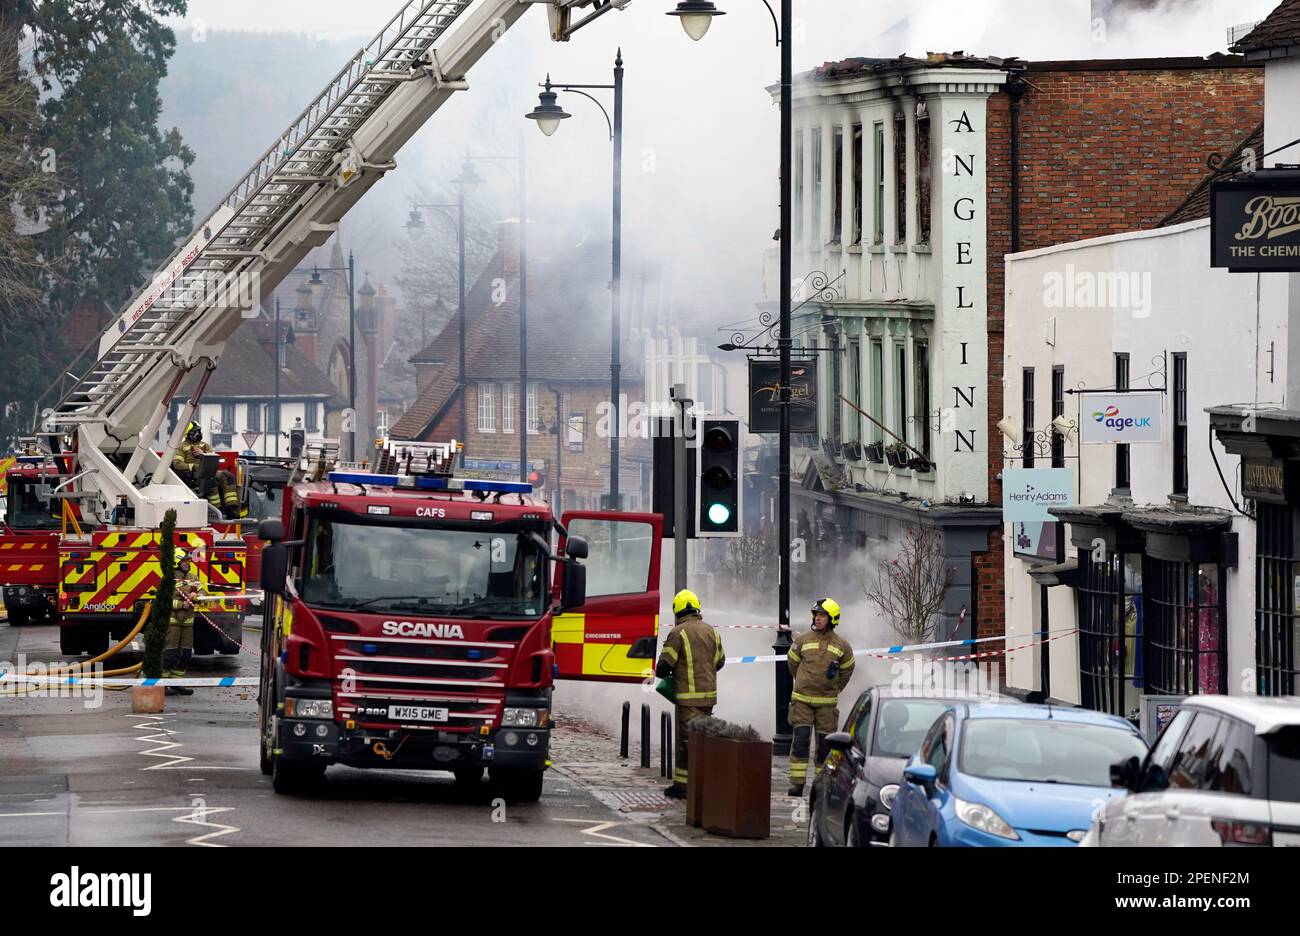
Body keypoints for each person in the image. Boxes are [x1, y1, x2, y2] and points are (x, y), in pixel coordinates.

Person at [655, 588, 725, 800]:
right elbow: (720, 661)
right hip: (709, 697)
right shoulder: (711, 631)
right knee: (702, 737)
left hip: (687, 698)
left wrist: (668, 671)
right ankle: (696, 782)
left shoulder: (678, 633)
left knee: (688, 742)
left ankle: (684, 787)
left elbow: (664, 665)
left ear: (677, 611)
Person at [787, 597, 854, 797]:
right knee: (800, 741)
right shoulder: (802, 640)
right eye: (816, 614)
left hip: (826, 705)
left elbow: (848, 669)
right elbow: (792, 663)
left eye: (822, 615)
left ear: (832, 619)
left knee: (825, 747)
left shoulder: (842, 645)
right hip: (802, 702)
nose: (817, 618)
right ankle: (797, 784)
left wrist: (835, 688)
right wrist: (802, 681)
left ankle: (820, 785)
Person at [173, 421, 239, 519]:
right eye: (195, 432)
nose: (199, 434)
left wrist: (202, 454)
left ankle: (232, 509)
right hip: (194, 475)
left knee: (228, 476)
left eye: (199, 431)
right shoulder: (181, 447)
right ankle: (217, 510)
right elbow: (177, 464)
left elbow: (214, 458)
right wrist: (194, 466)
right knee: (210, 479)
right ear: (189, 434)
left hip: (209, 471)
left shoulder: (205, 446)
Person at [163, 550, 202, 697]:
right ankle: (162, 685)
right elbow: (164, 600)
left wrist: (196, 595)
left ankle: (176, 684)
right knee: (169, 653)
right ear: (176, 562)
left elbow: (203, 592)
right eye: (184, 560)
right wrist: (180, 605)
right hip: (173, 622)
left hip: (188, 623)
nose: (187, 563)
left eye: (188, 560)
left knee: (185, 654)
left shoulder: (193, 577)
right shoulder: (169, 579)